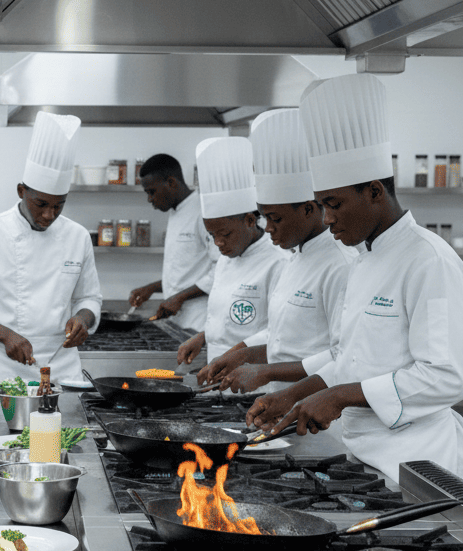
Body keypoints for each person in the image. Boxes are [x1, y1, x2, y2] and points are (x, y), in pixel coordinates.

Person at [246, 73, 463, 484]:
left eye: (334, 204)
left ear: (374, 191)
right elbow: (350, 359)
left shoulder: (429, 261)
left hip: (421, 467)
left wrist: (339, 396)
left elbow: (445, 377)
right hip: (365, 458)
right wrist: (293, 394)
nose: (327, 218)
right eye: (322, 205)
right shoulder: (362, 259)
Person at [0, 111, 102, 396]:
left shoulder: (77, 236)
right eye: (41, 204)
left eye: (58, 206)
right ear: (21, 191)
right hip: (6, 370)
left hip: (63, 368)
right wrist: (6, 335)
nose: (49, 215)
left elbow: (89, 298)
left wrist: (83, 319)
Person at [208, 109, 354, 394]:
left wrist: (266, 372)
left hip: (316, 407)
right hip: (282, 403)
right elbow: (282, 340)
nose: (269, 229)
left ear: (309, 209)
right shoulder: (296, 257)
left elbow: (343, 355)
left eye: (276, 218)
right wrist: (243, 353)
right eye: (265, 218)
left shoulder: (340, 264)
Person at [175, 137, 286, 382]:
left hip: (254, 381)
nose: (218, 243)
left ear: (250, 220)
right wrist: (203, 337)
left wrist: (232, 355)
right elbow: (225, 319)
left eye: (225, 234)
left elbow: (280, 332)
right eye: (212, 235)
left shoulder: (278, 261)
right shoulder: (227, 257)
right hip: (218, 376)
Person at [127, 152, 215, 329]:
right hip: (177, 319)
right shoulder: (175, 212)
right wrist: (152, 288)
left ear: (172, 182)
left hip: (199, 320)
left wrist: (180, 297)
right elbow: (184, 273)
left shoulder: (203, 213)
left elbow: (221, 270)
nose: (150, 199)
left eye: (152, 192)